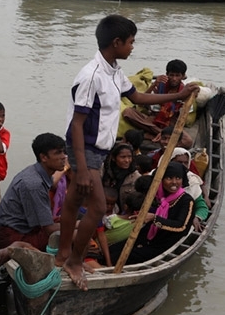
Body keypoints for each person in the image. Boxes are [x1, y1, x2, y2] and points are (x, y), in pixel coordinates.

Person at [56, 15, 198, 290]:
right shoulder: (92, 76)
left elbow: (137, 97)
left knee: (73, 203)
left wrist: (177, 97)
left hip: (97, 149)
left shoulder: (113, 70)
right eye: (131, 42)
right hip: (85, 150)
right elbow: (76, 123)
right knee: (97, 208)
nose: (133, 47)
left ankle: (63, 255)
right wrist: (83, 168)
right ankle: (74, 261)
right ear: (116, 42)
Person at [112, 161, 195, 264]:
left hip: (165, 243)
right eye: (169, 178)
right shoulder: (157, 196)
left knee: (124, 256)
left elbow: (181, 226)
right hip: (149, 236)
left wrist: (154, 218)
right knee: (114, 249)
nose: (174, 182)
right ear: (162, 180)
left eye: (178, 178)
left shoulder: (186, 201)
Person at [0, 133, 66, 249]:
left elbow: (53, 183)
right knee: (73, 233)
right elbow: (48, 229)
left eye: (63, 152)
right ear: (44, 157)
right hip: (15, 237)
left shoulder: (36, 171)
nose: (64, 157)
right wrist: (79, 226)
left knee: (70, 219)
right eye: (58, 153)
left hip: (23, 227)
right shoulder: (34, 184)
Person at [121, 59, 195, 148]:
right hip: (154, 119)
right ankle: (160, 133)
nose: (174, 79)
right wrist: (154, 84)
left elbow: (183, 116)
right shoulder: (159, 86)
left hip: (171, 124)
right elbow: (141, 103)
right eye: (171, 75)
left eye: (177, 75)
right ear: (167, 74)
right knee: (128, 112)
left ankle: (153, 134)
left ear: (183, 76)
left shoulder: (185, 91)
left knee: (188, 141)